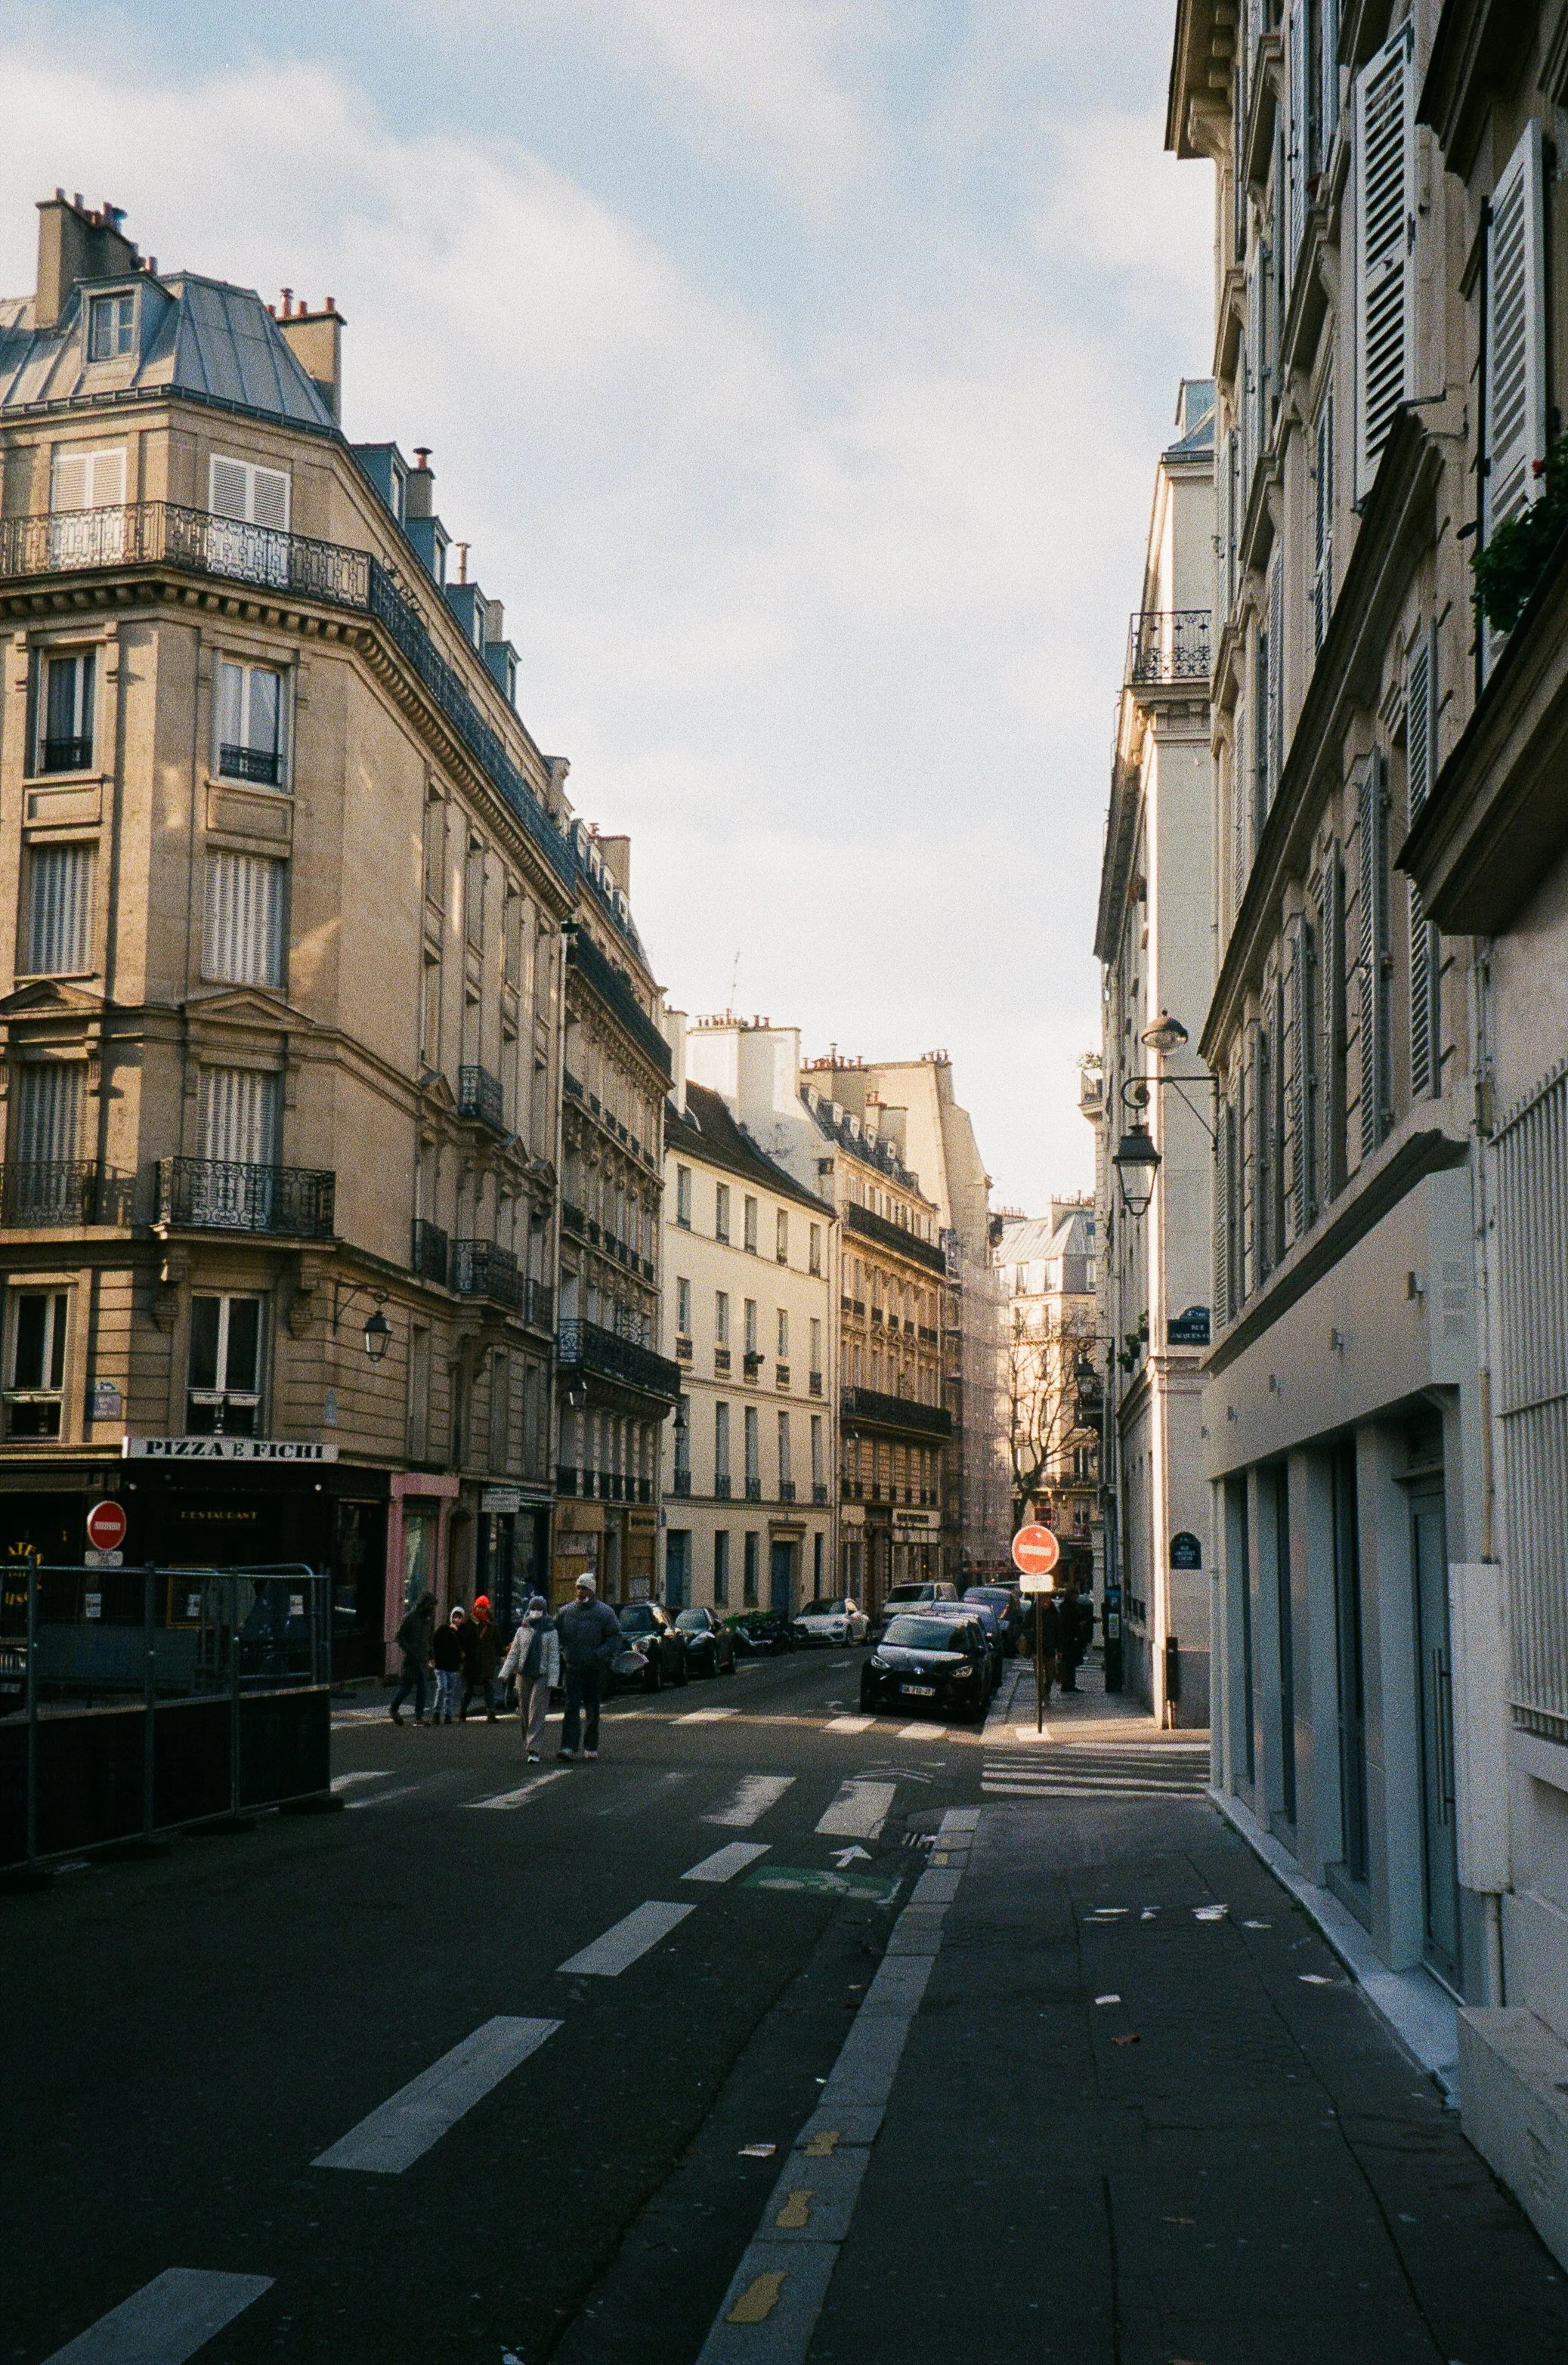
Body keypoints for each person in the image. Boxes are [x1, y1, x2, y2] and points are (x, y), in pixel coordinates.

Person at [555, 1574, 622, 1761]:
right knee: (571, 1706)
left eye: (584, 1588)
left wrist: (598, 1654)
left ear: (592, 1590)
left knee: (592, 1707)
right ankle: (568, 1746)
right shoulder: (566, 1612)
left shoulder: (605, 1613)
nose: (580, 1592)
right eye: (578, 1588)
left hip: (594, 1668)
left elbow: (615, 1637)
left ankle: (591, 1746)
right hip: (573, 1667)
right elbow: (554, 1631)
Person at [499, 1595, 559, 1762]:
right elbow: (514, 1654)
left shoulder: (551, 1631)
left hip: (542, 1675)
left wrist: (553, 1680)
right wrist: (504, 1673)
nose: (536, 1612)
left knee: (536, 1711)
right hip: (523, 1674)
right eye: (533, 1608)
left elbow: (554, 1657)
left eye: (539, 1609)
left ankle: (534, 1749)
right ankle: (528, 1741)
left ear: (545, 1611)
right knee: (525, 1711)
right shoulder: (522, 1630)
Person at [390, 1592, 436, 1725]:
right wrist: (409, 1650)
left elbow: (429, 1639)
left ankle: (419, 1717)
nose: (433, 1608)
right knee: (406, 1688)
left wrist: (431, 1656)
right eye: (431, 1605)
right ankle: (393, 1709)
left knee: (423, 1688)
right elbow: (399, 1636)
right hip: (411, 1660)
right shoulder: (411, 1617)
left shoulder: (428, 1620)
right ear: (424, 1604)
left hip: (422, 1660)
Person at [459, 1594, 500, 1721]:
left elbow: (497, 1643)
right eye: (479, 1607)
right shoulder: (467, 1623)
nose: (482, 1610)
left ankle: (491, 1714)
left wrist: (504, 1652)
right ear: (475, 1607)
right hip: (471, 1662)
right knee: (468, 1690)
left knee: (489, 1688)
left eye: (484, 1607)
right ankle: (462, 1712)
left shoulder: (491, 1625)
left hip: (487, 1662)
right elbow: (462, 1642)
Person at [431, 1606, 464, 1725]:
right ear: (451, 1617)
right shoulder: (443, 1629)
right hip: (440, 1665)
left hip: (453, 1666)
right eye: (455, 1617)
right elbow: (434, 1642)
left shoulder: (461, 1633)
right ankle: (436, 1713)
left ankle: (448, 1715)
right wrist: (433, 1658)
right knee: (442, 1687)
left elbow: (462, 1647)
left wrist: (456, 1633)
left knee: (450, 1691)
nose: (457, 1620)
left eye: (459, 1618)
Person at [1034, 1587, 1062, 1707]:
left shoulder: (1054, 1613)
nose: (1046, 1602)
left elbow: (1059, 1631)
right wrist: (1032, 1638)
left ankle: (1047, 1691)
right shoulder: (1033, 1611)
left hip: (1050, 1649)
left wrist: (1060, 1649)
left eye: (1048, 1599)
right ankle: (1042, 1696)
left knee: (1050, 1674)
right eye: (1044, 1600)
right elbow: (1025, 1626)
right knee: (1039, 1675)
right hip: (1037, 1649)